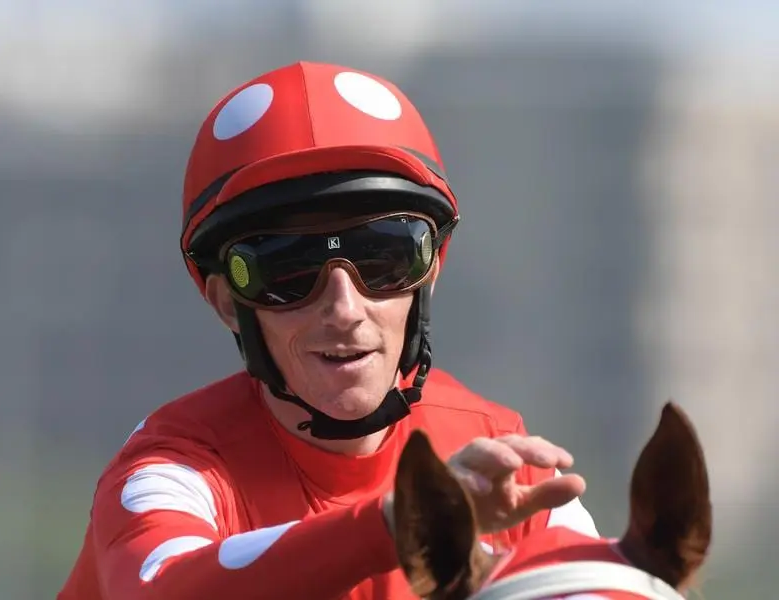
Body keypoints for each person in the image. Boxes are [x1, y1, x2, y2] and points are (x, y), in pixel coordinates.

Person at [57, 61, 598, 600]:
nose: (344, 309)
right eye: (288, 270)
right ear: (227, 301)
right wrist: (397, 523)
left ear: (429, 273)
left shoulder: (502, 464)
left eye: (384, 256)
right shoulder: (172, 467)